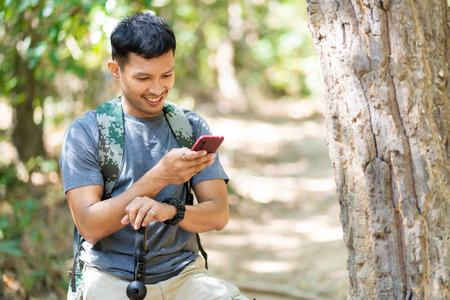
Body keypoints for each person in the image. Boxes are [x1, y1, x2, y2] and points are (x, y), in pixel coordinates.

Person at [59, 11, 248, 300]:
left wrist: (171, 211)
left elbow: (219, 215)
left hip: (184, 274)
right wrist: (159, 177)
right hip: (109, 277)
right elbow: (90, 226)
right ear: (115, 70)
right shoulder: (87, 132)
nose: (158, 89)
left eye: (167, 75)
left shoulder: (191, 127)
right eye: (143, 77)